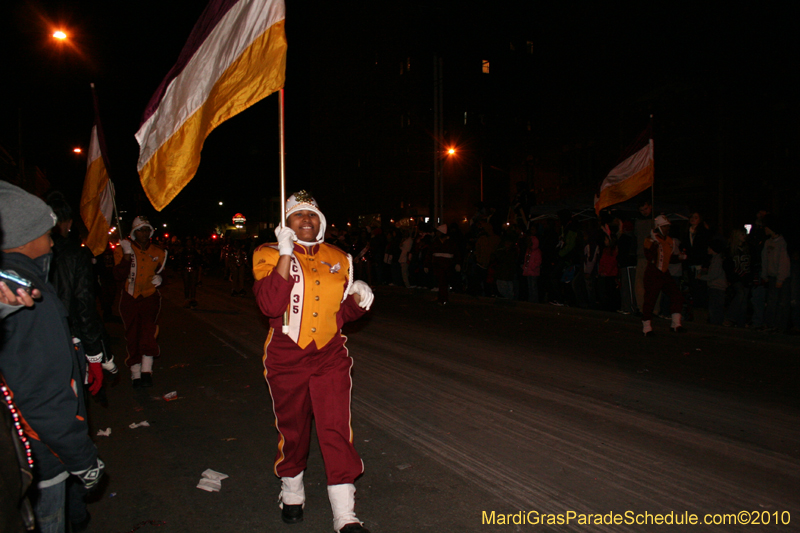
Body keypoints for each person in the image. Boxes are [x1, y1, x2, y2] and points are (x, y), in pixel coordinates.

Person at [252, 191, 374, 533]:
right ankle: (291, 489)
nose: (306, 220)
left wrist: (360, 299)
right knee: (293, 429)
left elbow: (341, 315)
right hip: (286, 354)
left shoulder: (340, 257)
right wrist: (285, 255)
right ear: (286, 223)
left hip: (330, 355)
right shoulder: (267, 253)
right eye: (298, 215)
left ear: (321, 222)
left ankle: (345, 515)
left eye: (312, 215)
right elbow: (270, 306)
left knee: (335, 428)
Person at [0, 181, 105, 533]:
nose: (51, 241)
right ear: (24, 236)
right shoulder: (25, 298)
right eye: (45, 232)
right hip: (39, 457)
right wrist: (82, 458)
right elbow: (42, 392)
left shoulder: (11, 286)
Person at [113, 216, 168, 388]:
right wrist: (127, 254)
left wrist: (161, 278)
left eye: (146, 229)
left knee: (148, 333)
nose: (144, 233)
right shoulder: (123, 249)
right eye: (140, 230)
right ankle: (135, 373)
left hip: (149, 297)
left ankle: (146, 371)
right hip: (130, 298)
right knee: (132, 335)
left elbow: (163, 273)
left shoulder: (158, 252)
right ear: (134, 232)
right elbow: (118, 276)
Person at [641, 215, 685, 336]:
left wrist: (680, 257)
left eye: (667, 226)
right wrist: (654, 244)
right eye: (664, 226)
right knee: (650, 299)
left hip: (664, 273)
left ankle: (676, 323)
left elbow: (668, 258)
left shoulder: (670, 241)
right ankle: (647, 327)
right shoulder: (650, 239)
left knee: (676, 295)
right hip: (653, 273)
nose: (667, 229)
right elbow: (649, 256)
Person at [760, 215, 791, 333]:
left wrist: (780, 278)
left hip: (781, 278)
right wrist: (764, 275)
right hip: (772, 276)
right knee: (771, 302)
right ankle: (770, 324)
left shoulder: (782, 243)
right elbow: (765, 260)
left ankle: (779, 326)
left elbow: (783, 262)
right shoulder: (768, 242)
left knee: (781, 303)